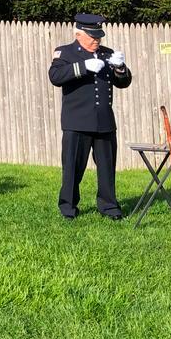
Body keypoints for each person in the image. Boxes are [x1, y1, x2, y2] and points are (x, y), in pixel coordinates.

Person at [47, 13, 132, 220]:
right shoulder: (65, 53)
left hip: (104, 122)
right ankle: (68, 208)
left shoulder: (106, 53)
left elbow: (123, 83)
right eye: (93, 37)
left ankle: (109, 207)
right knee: (72, 169)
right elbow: (55, 76)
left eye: (99, 37)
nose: (97, 41)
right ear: (79, 34)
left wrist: (120, 68)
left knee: (107, 169)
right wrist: (83, 67)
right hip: (77, 121)